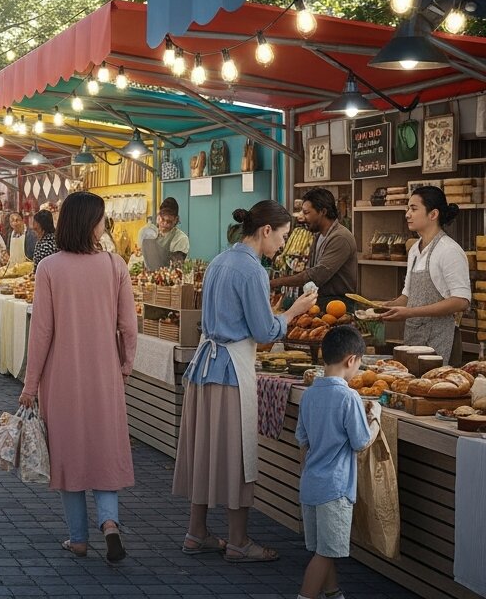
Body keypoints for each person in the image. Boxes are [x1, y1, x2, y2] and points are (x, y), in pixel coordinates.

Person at [174, 201, 318, 563]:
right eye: (283, 236)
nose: (283, 245)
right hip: (231, 371)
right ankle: (238, 541)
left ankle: (197, 532)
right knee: (237, 456)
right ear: (266, 231)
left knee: (204, 450)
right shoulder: (252, 270)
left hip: (203, 367)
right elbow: (264, 330)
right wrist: (293, 312)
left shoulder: (221, 260)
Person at [20, 192, 138, 562]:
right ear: (91, 223)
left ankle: (78, 538)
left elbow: (40, 332)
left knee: (67, 455)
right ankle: (110, 523)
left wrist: (30, 385)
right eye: (102, 219)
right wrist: (125, 365)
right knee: (104, 448)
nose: (105, 226)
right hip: (104, 374)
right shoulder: (115, 265)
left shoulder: (50, 267)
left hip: (61, 376)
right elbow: (128, 326)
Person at [295, 326, 382, 599]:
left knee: (324, 548)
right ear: (351, 360)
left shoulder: (308, 394)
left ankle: (333, 593)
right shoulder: (349, 397)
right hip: (335, 489)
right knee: (324, 553)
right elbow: (361, 442)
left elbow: (303, 441)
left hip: (310, 486)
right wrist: (376, 419)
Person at [379, 185, 471, 362]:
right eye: (407, 209)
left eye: (413, 209)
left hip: (440, 339)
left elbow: (461, 301)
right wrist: (386, 308)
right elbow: (408, 295)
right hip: (414, 338)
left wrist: (410, 312)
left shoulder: (449, 251)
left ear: (433, 214)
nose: (407, 214)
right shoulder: (414, 249)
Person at [271, 188, 359, 311]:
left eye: (307, 212)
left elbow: (316, 275)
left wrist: (277, 282)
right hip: (321, 305)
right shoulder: (318, 236)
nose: (302, 217)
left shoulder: (340, 238)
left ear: (322, 211)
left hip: (339, 307)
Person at [148, 198, 190, 270]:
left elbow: (175, 265)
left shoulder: (181, 239)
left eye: (169, 221)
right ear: (158, 216)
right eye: (162, 220)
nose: (165, 224)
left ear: (176, 220)